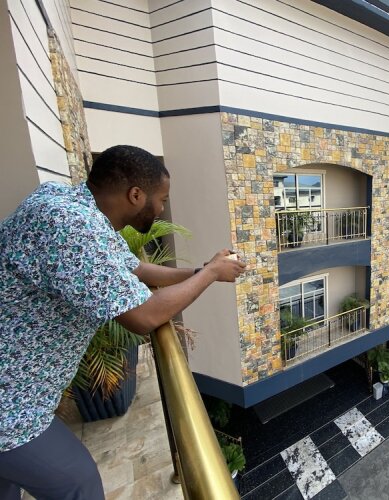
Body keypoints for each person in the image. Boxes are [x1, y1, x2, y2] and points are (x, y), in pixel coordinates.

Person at [0, 145, 246, 499]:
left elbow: (135, 269)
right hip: (12, 407)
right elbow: (143, 316)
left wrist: (203, 270)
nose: (161, 209)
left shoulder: (75, 209)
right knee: (77, 482)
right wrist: (209, 275)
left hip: (19, 395)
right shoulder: (71, 225)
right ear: (136, 195)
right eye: (162, 200)